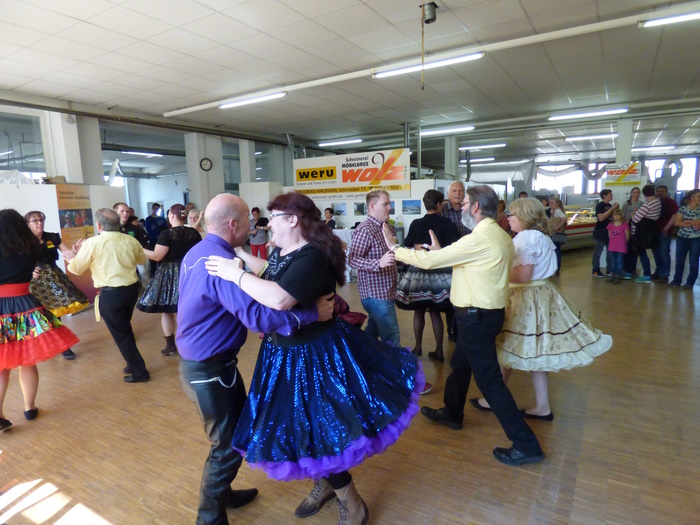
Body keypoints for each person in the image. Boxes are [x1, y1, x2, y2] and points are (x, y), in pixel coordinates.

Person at [204, 192, 423, 525]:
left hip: (313, 358)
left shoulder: (312, 256)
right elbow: (272, 271)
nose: (268, 224)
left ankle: (352, 501)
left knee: (319, 427)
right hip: (285, 354)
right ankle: (328, 485)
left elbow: (279, 298)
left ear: (293, 220)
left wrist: (234, 275)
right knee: (304, 429)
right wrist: (241, 256)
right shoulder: (286, 250)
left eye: (274, 217)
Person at [175, 193, 337, 525]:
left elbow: (265, 278)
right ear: (233, 224)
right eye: (249, 222)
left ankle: (224, 493)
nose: (255, 226)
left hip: (205, 363)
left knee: (235, 435)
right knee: (226, 446)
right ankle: (209, 519)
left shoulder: (199, 251)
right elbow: (258, 317)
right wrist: (311, 313)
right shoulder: (219, 265)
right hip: (209, 369)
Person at [383, 185, 545, 467]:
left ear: (476, 207)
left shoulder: (480, 238)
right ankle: (452, 412)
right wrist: (442, 252)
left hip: (476, 317)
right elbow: (469, 263)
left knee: (490, 381)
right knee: (460, 365)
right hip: (480, 315)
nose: (460, 207)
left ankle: (526, 444)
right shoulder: (499, 234)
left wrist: (396, 250)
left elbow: (429, 261)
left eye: (465, 202)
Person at [470, 198, 612, 419]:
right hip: (540, 294)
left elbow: (523, 276)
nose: (509, 218)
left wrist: (493, 271)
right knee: (534, 352)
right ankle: (540, 405)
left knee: (507, 347)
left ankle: (494, 399)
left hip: (526, 298)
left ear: (524, 217)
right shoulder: (540, 236)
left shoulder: (526, 238)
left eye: (512, 215)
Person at [0, 209, 80, 431]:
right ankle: (29, 407)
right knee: (27, 360)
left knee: (2, 365)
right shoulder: (31, 248)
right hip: (25, 305)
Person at [64, 209, 150, 383]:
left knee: (121, 334)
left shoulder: (92, 243)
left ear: (99, 225)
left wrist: (73, 257)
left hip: (111, 295)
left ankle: (140, 371)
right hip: (131, 291)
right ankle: (131, 363)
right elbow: (141, 260)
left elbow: (76, 269)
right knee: (125, 329)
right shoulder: (130, 240)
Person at [396, 189, 459, 363]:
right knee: (436, 312)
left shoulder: (416, 223)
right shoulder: (447, 223)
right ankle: (439, 350)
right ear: (439, 204)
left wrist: (417, 246)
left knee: (418, 311)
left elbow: (407, 244)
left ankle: (417, 347)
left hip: (418, 273)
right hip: (440, 273)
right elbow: (455, 247)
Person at [137, 204, 201, 357]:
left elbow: (157, 256)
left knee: (167, 310)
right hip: (190, 272)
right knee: (186, 310)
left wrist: (138, 249)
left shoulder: (167, 233)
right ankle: (190, 343)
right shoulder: (194, 233)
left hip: (170, 274)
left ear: (171, 215)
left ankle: (171, 344)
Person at [24, 210, 88, 360]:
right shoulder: (23, 241)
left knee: (55, 314)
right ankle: (45, 345)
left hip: (53, 279)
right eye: (35, 221)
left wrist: (75, 252)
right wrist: (29, 271)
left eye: (41, 220)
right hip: (34, 281)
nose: (39, 223)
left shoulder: (52, 237)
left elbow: (67, 254)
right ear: (27, 224)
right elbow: (19, 262)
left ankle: (63, 346)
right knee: (38, 315)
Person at [348, 189, 401, 348]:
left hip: (387, 291)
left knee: (372, 333)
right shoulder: (365, 229)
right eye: (385, 204)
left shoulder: (387, 227)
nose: (389, 208)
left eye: (389, 204)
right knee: (392, 338)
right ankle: (396, 364)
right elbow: (352, 260)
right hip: (376, 295)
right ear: (372, 206)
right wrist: (378, 263)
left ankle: (359, 356)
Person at [441, 181, 469, 342]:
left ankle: (464, 330)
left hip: (468, 259)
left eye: (460, 190)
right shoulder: (442, 211)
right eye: (454, 191)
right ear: (448, 194)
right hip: (450, 259)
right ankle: (452, 330)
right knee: (451, 296)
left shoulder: (470, 210)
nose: (458, 193)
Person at [629, 184, 661, 283]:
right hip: (651, 230)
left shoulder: (647, 205)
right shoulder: (657, 202)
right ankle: (656, 273)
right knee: (654, 252)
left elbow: (636, 220)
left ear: (643, 194)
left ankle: (647, 275)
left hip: (642, 232)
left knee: (641, 252)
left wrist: (633, 214)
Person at [670, 189, 700, 290]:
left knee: (694, 261)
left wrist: (687, 221)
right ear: (692, 198)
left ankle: (690, 282)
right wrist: (694, 222)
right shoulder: (683, 209)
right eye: (698, 196)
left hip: (696, 238)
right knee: (679, 260)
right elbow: (677, 222)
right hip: (682, 237)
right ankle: (676, 281)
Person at [651, 185, 679, 283]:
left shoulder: (671, 202)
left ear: (666, 192)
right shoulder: (654, 202)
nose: (660, 193)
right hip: (654, 231)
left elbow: (674, 216)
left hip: (665, 232)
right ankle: (658, 271)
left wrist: (666, 227)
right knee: (656, 253)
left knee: (664, 253)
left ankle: (665, 274)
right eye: (658, 191)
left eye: (663, 191)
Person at [592, 189, 617, 277]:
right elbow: (601, 218)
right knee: (598, 251)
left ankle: (609, 270)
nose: (611, 195)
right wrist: (612, 209)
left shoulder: (610, 205)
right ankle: (595, 270)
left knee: (610, 251)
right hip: (600, 231)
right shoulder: (600, 205)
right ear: (604, 196)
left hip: (609, 232)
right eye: (610, 194)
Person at [620, 187, 642, 277]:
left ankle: (632, 269)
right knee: (626, 248)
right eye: (634, 192)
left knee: (634, 249)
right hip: (627, 228)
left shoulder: (641, 204)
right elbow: (622, 216)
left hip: (636, 228)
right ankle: (625, 268)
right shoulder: (627, 204)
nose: (636, 194)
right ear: (631, 194)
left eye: (638, 192)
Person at [145, 203, 169, 276]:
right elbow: (149, 230)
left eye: (157, 209)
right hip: (153, 241)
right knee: (154, 261)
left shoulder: (161, 219)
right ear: (152, 208)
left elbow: (166, 229)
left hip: (163, 241)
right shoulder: (148, 219)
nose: (156, 210)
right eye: (155, 208)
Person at [606, 209, 630, 284]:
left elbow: (627, 236)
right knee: (613, 262)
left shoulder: (624, 225)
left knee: (620, 262)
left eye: (618, 215)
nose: (616, 217)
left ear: (621, 216)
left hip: (621, 247)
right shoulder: (610, 225)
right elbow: (610, 235)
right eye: (615, 215)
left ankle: (618, 275)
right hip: (612, 247)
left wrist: (623, 243)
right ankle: (613, 274)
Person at [548, 197, 567, 275]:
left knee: (556, 251)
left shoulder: (557, 211)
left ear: (557, 203)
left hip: (555, 234)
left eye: (553, 203)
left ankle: (556, 268)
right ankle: (556, 268)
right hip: (555, 234)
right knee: (557, 251)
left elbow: (564, 218)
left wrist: (557, 227)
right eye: (550, 202)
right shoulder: (556, 210)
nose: (551, 204)